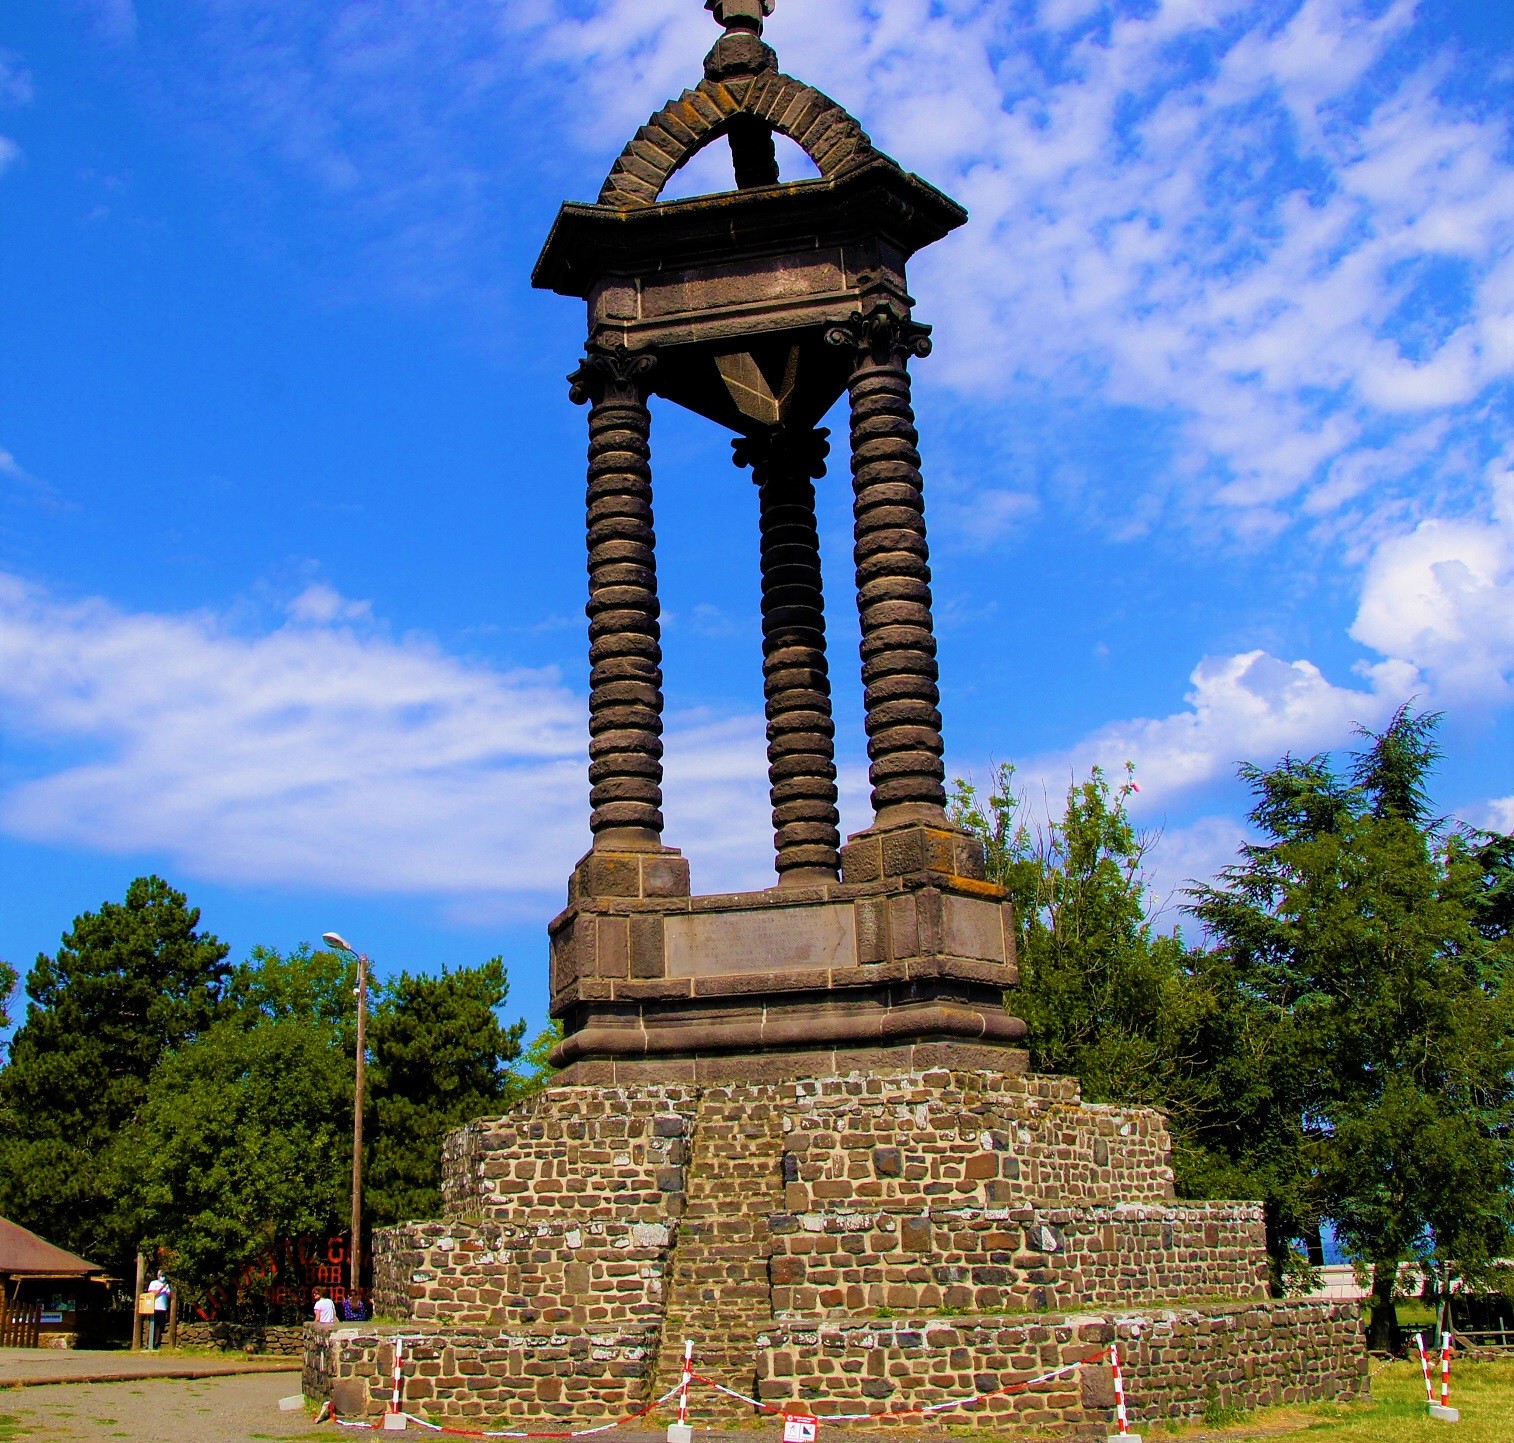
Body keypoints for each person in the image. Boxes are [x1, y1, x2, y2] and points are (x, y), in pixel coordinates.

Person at [146, 1271, 171, 1350]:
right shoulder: (153, 1283)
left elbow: (169, 1295)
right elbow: (153, 1293)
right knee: (153, 1325)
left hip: (163, 1308)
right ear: (158, 1275)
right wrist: (162, 1288)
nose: (162, 1277)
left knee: (160, 1326)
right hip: (154, 1307)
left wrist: (168, 1290)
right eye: (161, 1275)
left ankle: (157, 1343)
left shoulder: (167, 1285)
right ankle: (149, 1342)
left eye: (164, 1275)